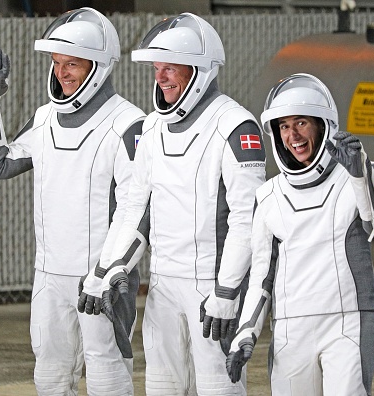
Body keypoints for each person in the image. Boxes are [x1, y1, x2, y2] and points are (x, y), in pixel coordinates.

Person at [81, 12, 266, 395]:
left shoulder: (235, 126)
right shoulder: (151, 129)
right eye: (157, 68)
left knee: (219, 388)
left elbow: (248, 221)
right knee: (162, 387)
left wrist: (228, 292)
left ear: (199, 71)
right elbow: (134, 208)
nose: (160, 78)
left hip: (210, 289)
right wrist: (105, 269)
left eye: (171, 68)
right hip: (163, 285)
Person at [0, 8, 147, 395]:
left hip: (100, 278)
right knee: (50, 378)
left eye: (73, 63)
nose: (62, 73)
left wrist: (113, 270)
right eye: (56, 63)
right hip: (48, 276)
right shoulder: (45, 118)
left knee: (107, 375)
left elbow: (140, 210)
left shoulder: (128, 124)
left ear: (99, 66)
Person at [225, 73, 374, 396]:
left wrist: (360, 173)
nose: (293, 135)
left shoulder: (361, 173)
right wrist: (245, 332)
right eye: (283, 126)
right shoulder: (268, 196)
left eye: (301, 123)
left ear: (323, 125)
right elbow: (261, 277)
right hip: (291, 330)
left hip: (349, 322)